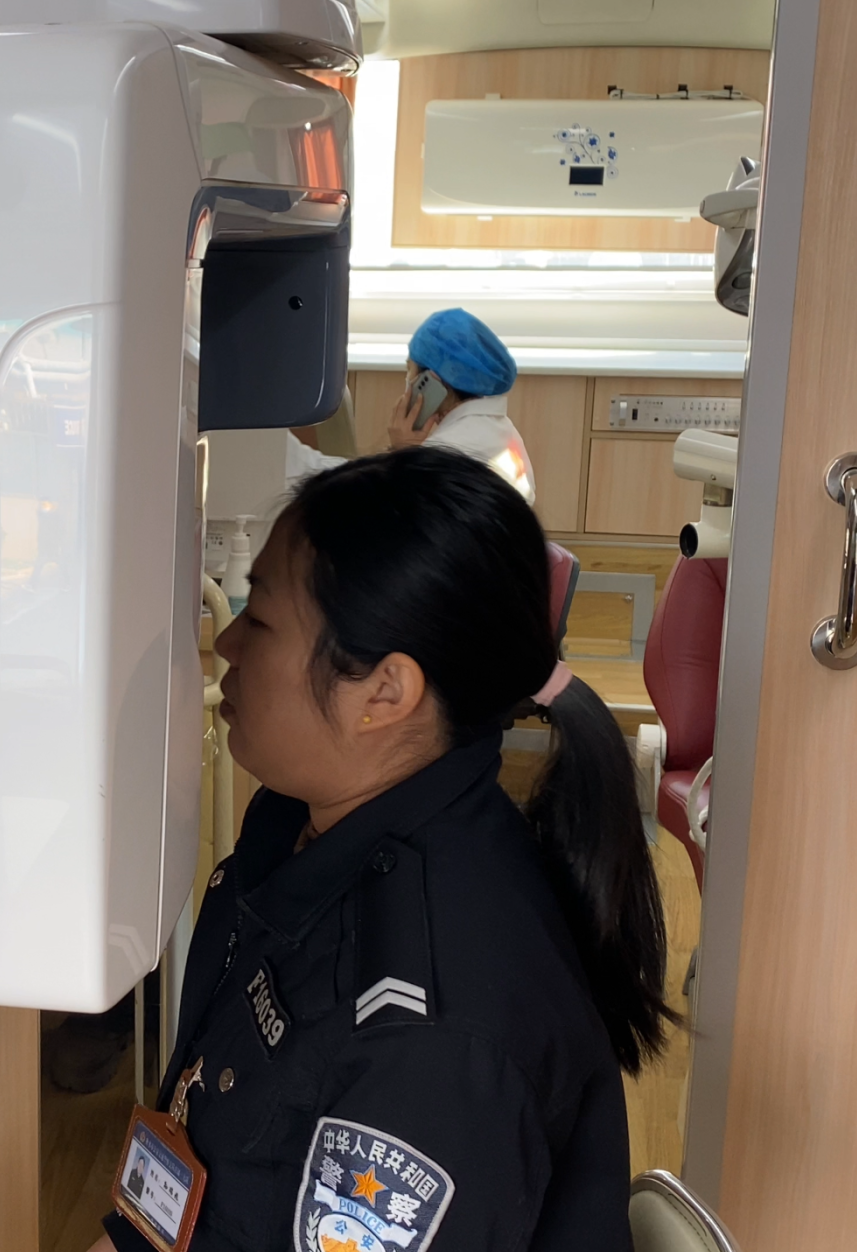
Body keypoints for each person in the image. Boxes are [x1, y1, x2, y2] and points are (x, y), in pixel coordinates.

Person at [97, 447, 675, 1252]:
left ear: (383, 691)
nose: (225, 642)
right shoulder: (299, 820)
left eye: (259, 619)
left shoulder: (430, 1045)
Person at [286, 307, 537, 501]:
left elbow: (393, 517)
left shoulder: (446, 451)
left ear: (431, 382)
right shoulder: (499, 431)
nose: (407, 381)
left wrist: (403, 455)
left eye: (410, 370)